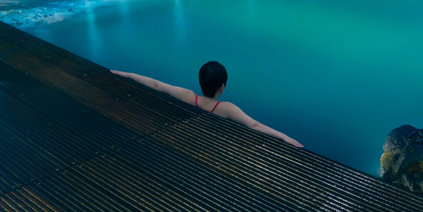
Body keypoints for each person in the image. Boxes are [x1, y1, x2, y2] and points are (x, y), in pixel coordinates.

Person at [111, 61, 303, 147]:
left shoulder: (186, 95)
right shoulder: (226, 109)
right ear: (223, 87)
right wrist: (284, 136)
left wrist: (124, 74)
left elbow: (156, 84)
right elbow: (254, 125)